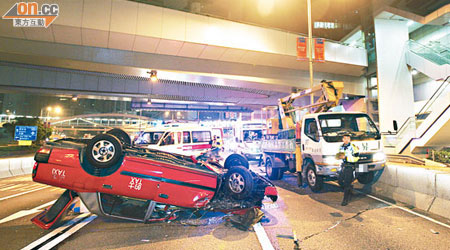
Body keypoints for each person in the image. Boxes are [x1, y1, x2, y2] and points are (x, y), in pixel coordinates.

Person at [337, 133, 359, 206]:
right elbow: (338, 155)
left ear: (350, 139)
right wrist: (338, 157)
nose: (346, 140)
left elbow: (356, 158)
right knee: (340, 181)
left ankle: (345, 200)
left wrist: (346, 158)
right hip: (343, 166)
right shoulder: (341, 147)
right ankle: (349, 189)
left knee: (346, 183)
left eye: (348, 138)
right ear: (342, 139)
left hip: (350, 166)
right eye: (345, 138)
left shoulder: (353, 147)